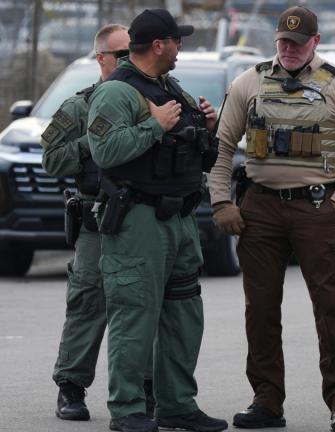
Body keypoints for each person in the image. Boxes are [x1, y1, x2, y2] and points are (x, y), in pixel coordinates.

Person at [207, 6, 335, 432]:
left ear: (315, 43)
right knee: (260, 309)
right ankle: (266, 401)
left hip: (317, 206)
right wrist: (222, 203)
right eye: (283, 42)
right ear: (275, 41)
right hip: (259, 207)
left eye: (298, 44)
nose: (289, 50)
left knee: (331, 306)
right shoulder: (249, 82)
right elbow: (222, 149)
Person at [86, 9, 227, 432]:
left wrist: (206, 127)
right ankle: (127, 408)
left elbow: (195, 152)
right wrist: (152, 126)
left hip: (179, 217)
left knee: (184, 315)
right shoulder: (117, 92)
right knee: (134, 315)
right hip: (138, 221)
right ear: (160, 45)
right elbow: (105, 153)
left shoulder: (170, 87)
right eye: (177, 40)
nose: (182, 47)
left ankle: (177, 404)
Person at [41, 23, 153, 422]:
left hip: (144, 219)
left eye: (132, 52)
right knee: (88, 300)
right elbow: (52, 159)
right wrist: (96, 137)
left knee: (144, 305)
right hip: (97, 219)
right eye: (120, 54)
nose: (128, 60)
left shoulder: (150, 98)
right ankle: (71, 386)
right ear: (101, 58)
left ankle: (145, 388)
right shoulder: (79, 106)